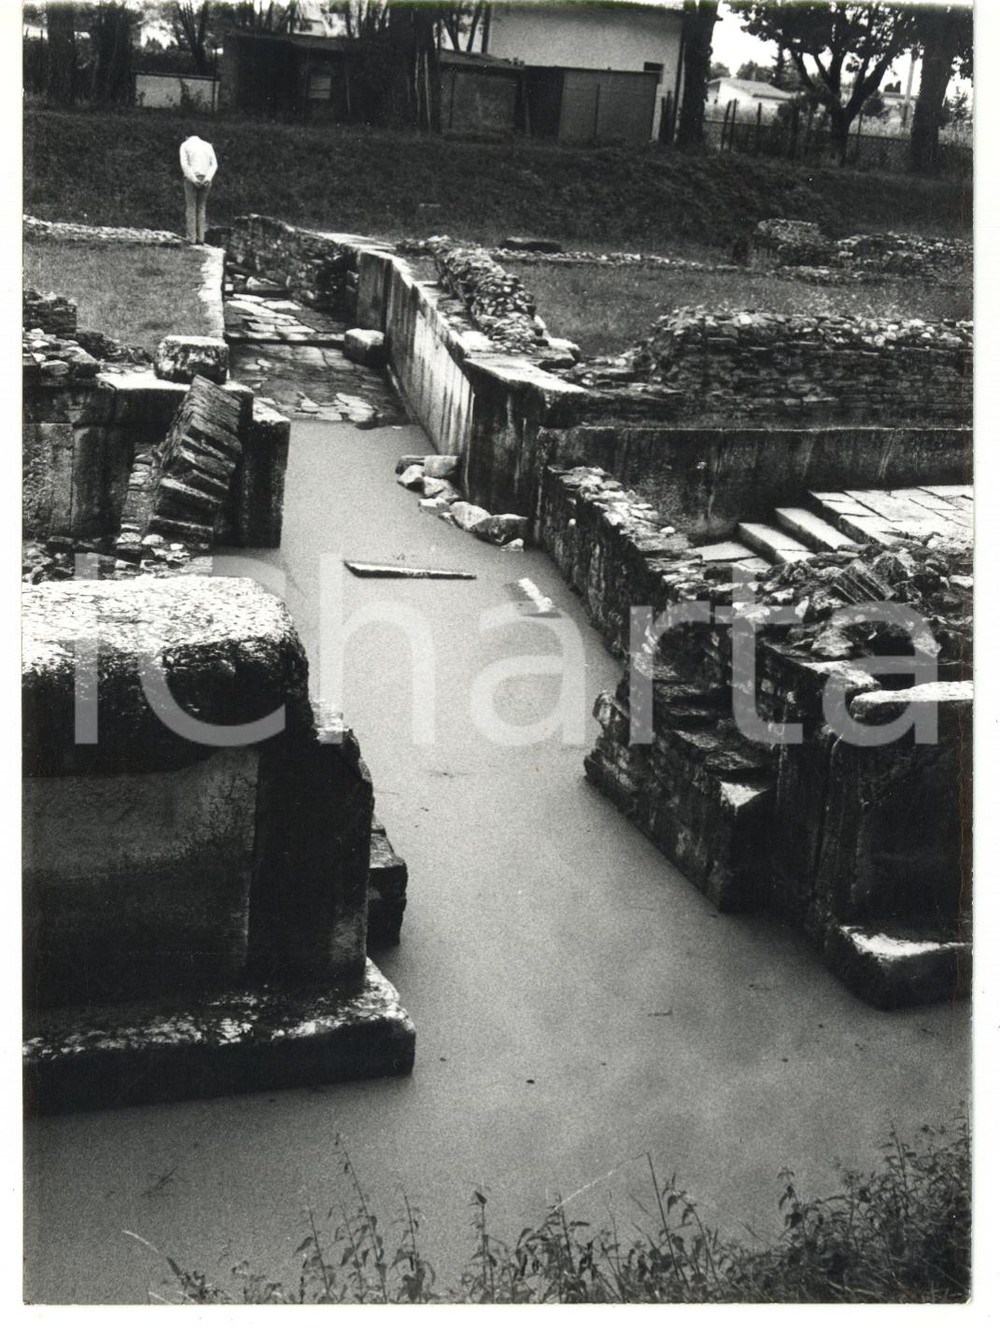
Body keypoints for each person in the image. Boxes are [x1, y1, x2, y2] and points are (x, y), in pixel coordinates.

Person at [179, 135, 218, 244]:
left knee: (191, 207)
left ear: (187, 136)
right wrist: (208, 178)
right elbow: (214, 165)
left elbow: (184, 165)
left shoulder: (185, 145)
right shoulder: (208, 145)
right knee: (201, 207)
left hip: (191, 179)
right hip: (206, 178)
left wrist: (193, 179)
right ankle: (201, 238)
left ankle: (191, 238)